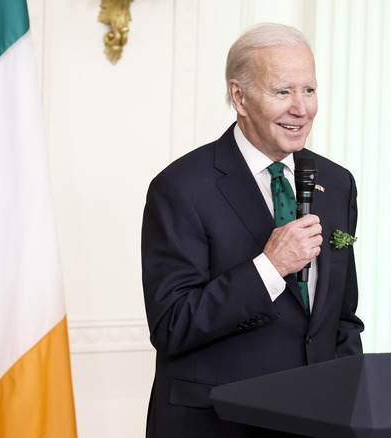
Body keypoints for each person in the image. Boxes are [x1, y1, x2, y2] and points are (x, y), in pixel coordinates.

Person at [141, 22, 364, 437]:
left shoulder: (337, 183)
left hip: (316, 420)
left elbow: (342, 319)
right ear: (239, 97)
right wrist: (268, 267)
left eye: (309, 90)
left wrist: (349, 403)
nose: (301, 108)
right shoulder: (180, 187)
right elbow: (171, 325)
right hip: (217, 423)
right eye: (283, 92)